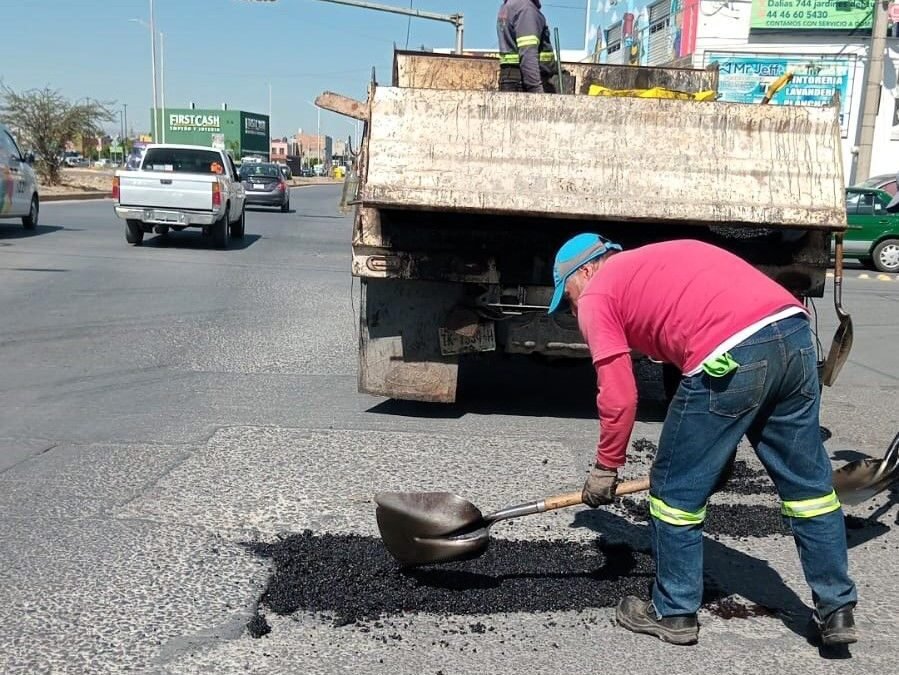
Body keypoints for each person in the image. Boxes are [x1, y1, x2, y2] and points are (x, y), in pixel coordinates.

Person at [548, 233, 858, 647]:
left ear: (585, 270)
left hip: (731, 352)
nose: (572, 308)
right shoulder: (661, 260)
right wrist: (719, 447)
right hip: (794, 335)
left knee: (673, 493)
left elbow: (620, 396)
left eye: (567, 295)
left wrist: (607, 466)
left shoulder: (598, 295)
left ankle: (674, 612)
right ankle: (836, 609)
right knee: (809, 490)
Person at [496, 0, 557, 93]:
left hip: (511, 78)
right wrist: (537, 92)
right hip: (524, 82)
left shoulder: (509, 6)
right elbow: (528, 55)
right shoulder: (526, 9)